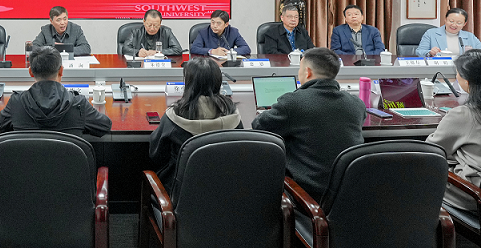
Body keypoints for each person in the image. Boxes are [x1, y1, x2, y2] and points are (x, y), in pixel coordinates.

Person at [252, 47, 365, 200]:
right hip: (348, 193)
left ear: (308, 72)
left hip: (308, 195)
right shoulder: (356, 104)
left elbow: (258, 126)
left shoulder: (293, 103)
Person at [148, 56, 243, 194]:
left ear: (188, 83)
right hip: (227, 194)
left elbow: (155, 154)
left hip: (182, 196)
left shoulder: (175, 117)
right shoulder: (233, 116)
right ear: (218, 82)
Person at [0, 46, 112, 136]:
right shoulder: (78, 104)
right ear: (61, 71)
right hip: (67, 160)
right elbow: (104, 125)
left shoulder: (16, 102)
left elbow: (2, 125)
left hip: (28, 160)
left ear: (30, 72)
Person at [427, 49, 481, 211]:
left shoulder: (465, 115)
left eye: (457, 73)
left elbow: (431, 151)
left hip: (472, 194)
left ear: (467, 81)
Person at [417, 7, 481, 57]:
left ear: (464, 24)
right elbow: (419, 52)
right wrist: (430, 52)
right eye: (451, 21)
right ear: (445, 19)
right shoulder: (431, 33)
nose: (454, 25)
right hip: (439, 67)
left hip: (462, 68)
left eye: (459, 23)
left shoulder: (470, 36)